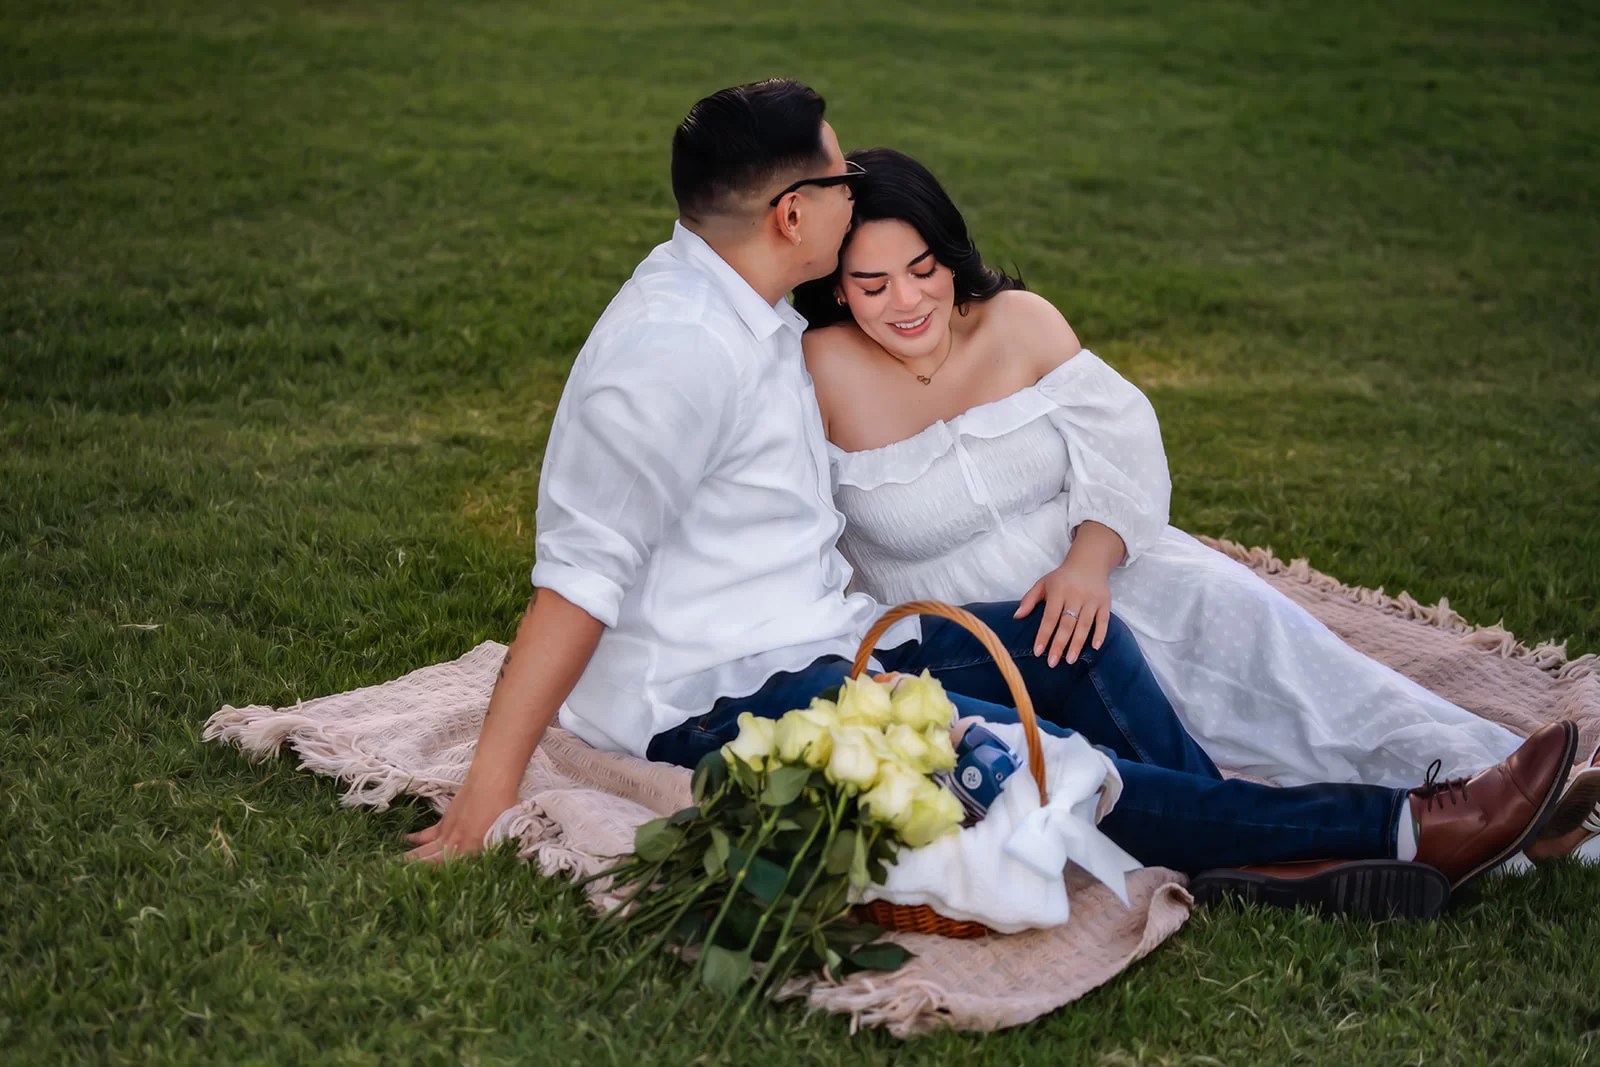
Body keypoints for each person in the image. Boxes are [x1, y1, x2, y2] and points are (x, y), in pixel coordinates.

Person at [402, 79, 1580, 917]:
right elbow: (579, 575)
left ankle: (1233, 846)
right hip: (721, 691)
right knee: (1044, 752)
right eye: (836, 172)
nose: (853, 181)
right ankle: (1403, 828)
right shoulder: (668, 352)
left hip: (835, 642)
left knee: (1085, 651)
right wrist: (484, 798)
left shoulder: (750, 306)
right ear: (791, 216)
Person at [790, 146, 1600, 866]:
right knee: (1159, 723)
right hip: (996, 637)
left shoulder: (1016, 323)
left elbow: (1123, 445)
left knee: (1279, 651)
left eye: (924, 267)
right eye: (873, 282)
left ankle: (1493, 786)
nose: (906, 300)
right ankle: (1388, 834)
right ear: (835, 285)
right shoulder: (817, 371)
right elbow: (790, 531)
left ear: (951, 251)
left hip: (1108, 568)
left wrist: (1089, 561)